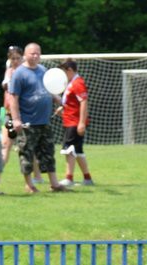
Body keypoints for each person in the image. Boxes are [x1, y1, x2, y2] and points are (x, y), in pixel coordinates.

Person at [7, 42, 67, 193]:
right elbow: (13, 98)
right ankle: (29, 185)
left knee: (48, 152)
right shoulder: (19, 74)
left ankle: (54, 184)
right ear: (25, 55)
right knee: (26, 153)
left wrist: (57, 99)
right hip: (28, 123)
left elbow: (49, 88)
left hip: (44, 121)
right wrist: (16, 119)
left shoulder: (43, 70)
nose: (35, 56)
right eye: (32, 53)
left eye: (38, 53)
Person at [57, 59, 93, 187]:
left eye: (63, 72)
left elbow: (83, 102)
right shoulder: (72, 82)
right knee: (77, 151)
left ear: (70, 70)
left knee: (69, 150)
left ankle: (69, 178)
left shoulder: (78, 83)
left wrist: (81, 123)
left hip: (74, 122)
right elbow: (73, 101)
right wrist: (63, 107)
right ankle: (87, 179)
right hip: (70, 120)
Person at [0, 45, 23, 166]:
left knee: (27, 147)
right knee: (5, 144)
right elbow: (5, 84)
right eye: (13, 58)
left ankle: (37, 177)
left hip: (24, 114)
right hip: (8, 114)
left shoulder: (26, 72)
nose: (15, 61)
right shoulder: (9, 71)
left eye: (18, 58)